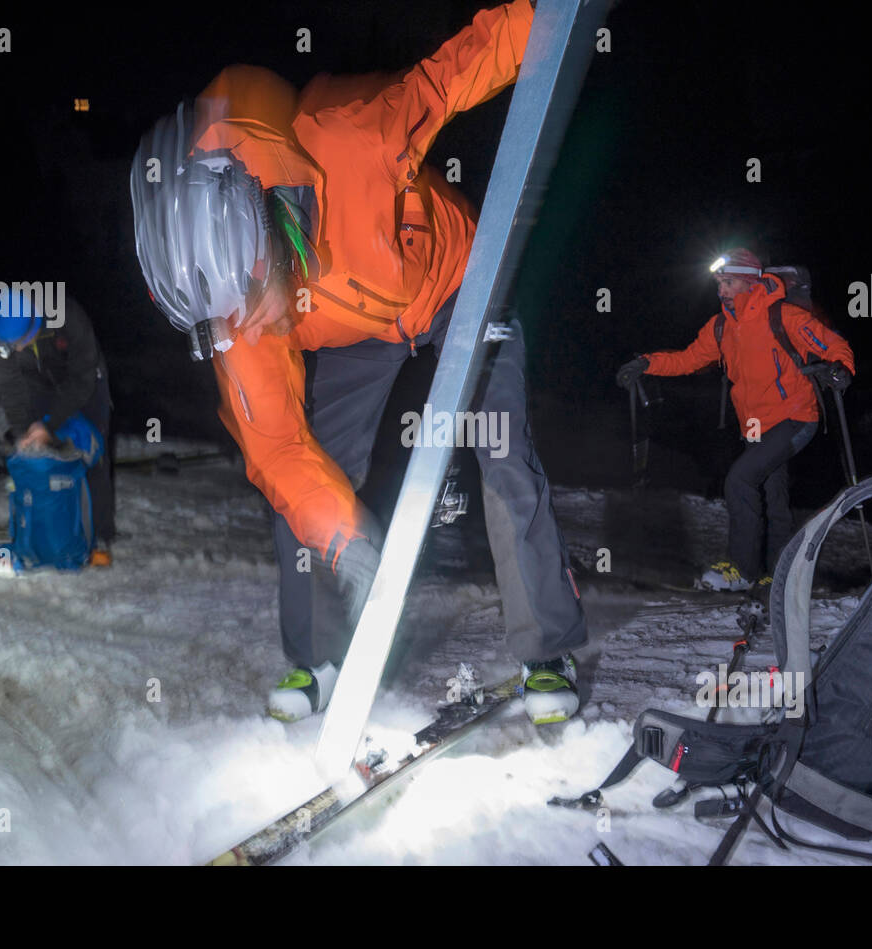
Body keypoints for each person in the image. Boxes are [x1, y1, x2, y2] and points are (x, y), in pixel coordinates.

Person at [130, 0, 588, 724]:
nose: (251, 317)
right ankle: (316, 656)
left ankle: (546, 650)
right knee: (308, 483)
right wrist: (347, 542)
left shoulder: (354, 137)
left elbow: (462, 67)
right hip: (355, 332)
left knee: (501, 454)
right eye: (231, 309)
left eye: (253, 290)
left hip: (456, 283)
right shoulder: (234, 307)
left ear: (268, 216)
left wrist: (552, 17)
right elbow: (277, 448)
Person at [617, 248, 855, 592]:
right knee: (774, 497)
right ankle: (779, 575)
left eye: (727, 282)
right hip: (755, 425)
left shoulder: (783, 316)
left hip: (796, 417)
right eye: (718, 283)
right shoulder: (721, 327)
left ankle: (741, 570)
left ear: (748, 282)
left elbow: (834, 346)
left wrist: (841, 369)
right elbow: (688, 359)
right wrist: (646, 363)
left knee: (740, 480)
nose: (721, 290)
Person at [0, 290, 116, 565]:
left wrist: (50, 425)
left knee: (92, 451)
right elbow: (8, 387)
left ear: (35, 319)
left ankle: (100, 535)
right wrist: (26, 431)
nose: (16, 349)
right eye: (10, 346)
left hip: (84, 381)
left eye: (21, 341)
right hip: (36, 383)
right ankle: (45, 528)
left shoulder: (66, 315)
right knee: (40, 453)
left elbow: (83, 377)